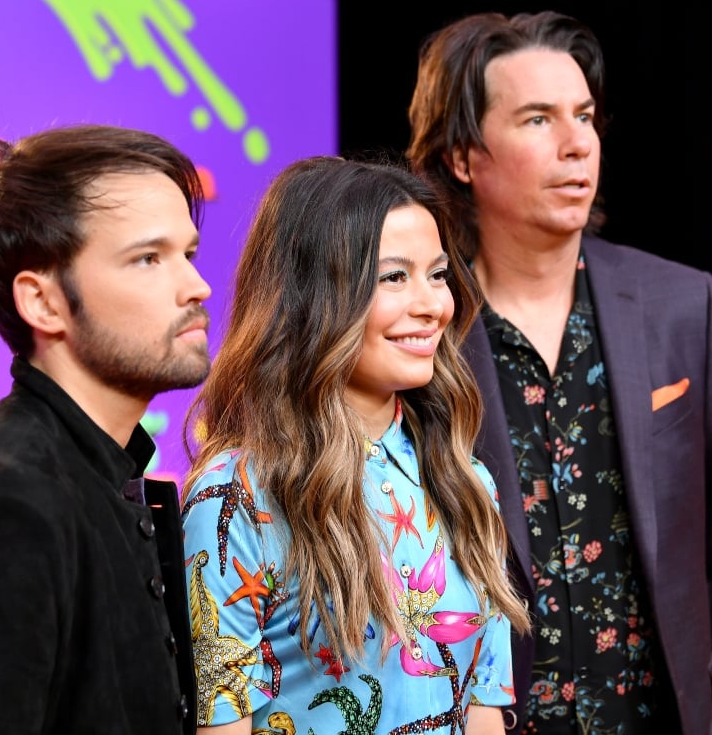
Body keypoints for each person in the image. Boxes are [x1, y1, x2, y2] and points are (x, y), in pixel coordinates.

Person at [405, 10, 712, 734]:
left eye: (585, 115)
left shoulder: (683, 306)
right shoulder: (424, 328)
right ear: (462, 157)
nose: (578, 144)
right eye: (538, 120)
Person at [179, 155, 531, 735]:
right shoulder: (235, 496)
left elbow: (483, 710)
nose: (431, 305)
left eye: (438, 274)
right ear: (312, 297)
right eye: (394, 276)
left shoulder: (466, 481)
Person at [0, 124, 211, 734]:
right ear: (43, 303)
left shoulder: (108, 476)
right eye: (147, 259)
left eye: (187, 254)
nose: (197, 286)